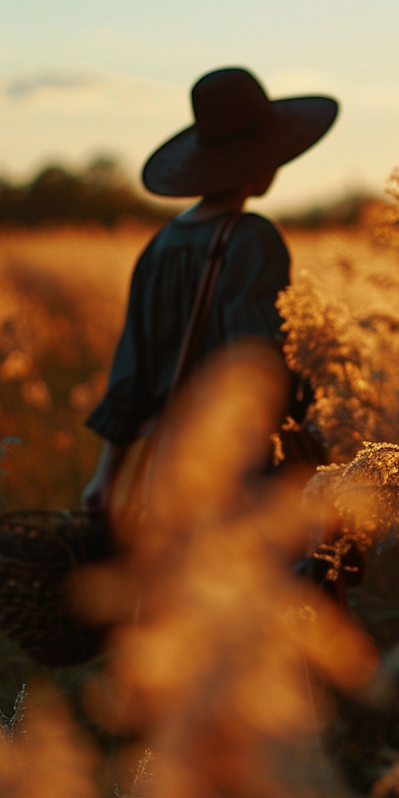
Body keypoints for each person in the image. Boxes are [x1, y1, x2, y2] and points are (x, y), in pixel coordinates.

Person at [80, 67, 337, 517]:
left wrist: (105, 479)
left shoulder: (158, 247)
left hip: (167, 470)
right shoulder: (252, 238)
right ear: (260, 160)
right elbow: (255, 365)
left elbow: (130, 376)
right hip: (239, 471)